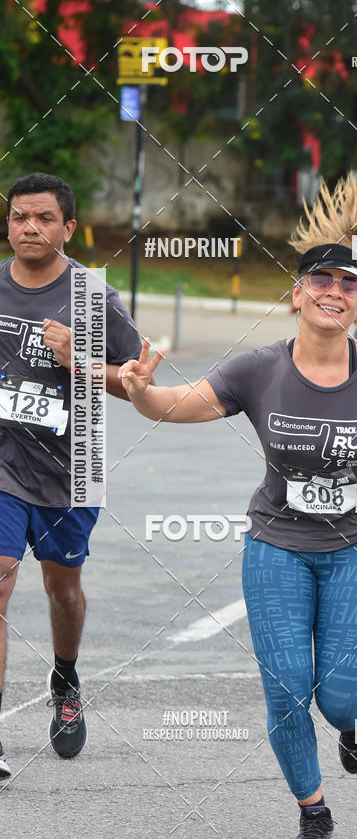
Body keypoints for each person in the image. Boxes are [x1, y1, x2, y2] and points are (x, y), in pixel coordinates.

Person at [119, 176, 357, 838]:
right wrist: (141, 391)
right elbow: (175, 408)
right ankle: (314, 809)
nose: (333, 290)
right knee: (287, 686)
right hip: (276, 547)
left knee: (339, 695)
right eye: (320, 279)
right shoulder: (257, 370)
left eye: (348, 283)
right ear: (296, 292)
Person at [0, 172, 142, 778]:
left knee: (63, 591)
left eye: (43, 219)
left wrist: (76, 361)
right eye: (18, 218)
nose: (29, 228)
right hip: (3, 464)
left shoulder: (92, 298)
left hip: (70, 469)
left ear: (69, 228)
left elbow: (138, 381)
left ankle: (65, 677)